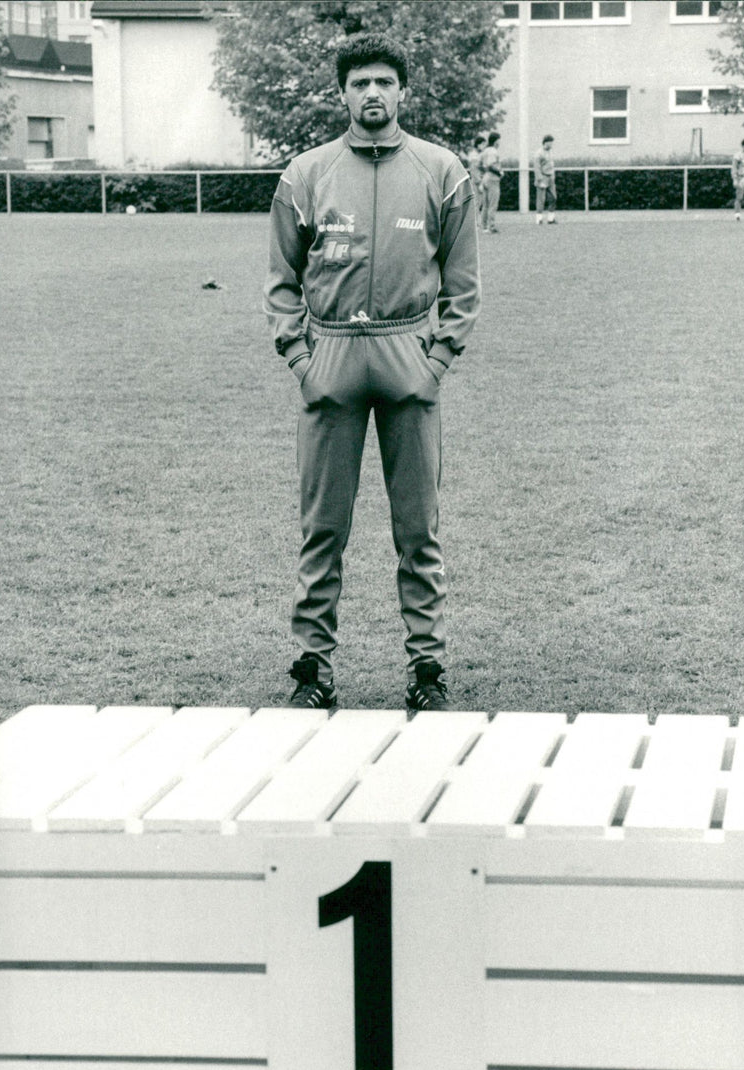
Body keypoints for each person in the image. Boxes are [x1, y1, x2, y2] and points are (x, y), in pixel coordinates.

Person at [263, 32, 481, 711]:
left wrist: (437, 359)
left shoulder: (443, 170)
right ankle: (312, 664)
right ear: (343, 93)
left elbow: (464, 285)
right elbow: (280, 281)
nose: (373, 93)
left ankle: (427, 665)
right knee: (323, 526)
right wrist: (301, 359)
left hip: (407, 353)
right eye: (360, 83)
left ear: (403, 90)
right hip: (330, 355)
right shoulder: (305, 174)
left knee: (418, 527)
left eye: (385, 81)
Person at [478, 131, 503, 233]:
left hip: (485, 178)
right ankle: (491, 226)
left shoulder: (485, 151)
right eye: (499, 140)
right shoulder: (493, 151)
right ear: (496, 141)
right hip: (493, 179)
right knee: (493, 204)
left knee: (485, 204)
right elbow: (490, 165)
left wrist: (484, 173)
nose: (500, 142)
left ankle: (483, 226)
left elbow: (480, 165)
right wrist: (499, 173)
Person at [534, 134, 557, 225]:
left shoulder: (550, 152)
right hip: (543, 176)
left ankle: (551, 219)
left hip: (550, 177)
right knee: (541, 199)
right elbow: (537, 167)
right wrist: (540, 179)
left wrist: (553, 176)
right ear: (545, 142)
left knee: (553, 197)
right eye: (550, 142)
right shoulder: (539, 153)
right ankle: (539, 219)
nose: (551, 144)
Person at [467, 135, 487, 227]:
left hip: (479, 180)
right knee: (477, 203)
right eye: (482, 144)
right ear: (478, 144)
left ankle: (478, 223)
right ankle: (475, 223)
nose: (484, 146)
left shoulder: (477, 155)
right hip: (477, 181)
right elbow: (474, 170)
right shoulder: (474, 155)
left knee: (480, 203)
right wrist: (479, 182)